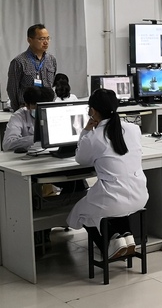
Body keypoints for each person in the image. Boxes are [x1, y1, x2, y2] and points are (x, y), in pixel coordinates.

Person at [67, 89, 148, 260]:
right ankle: (126, 237)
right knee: (113, 204)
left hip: (112, 200)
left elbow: (81, 159)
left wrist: (85, 131)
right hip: (140, 196)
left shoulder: (94, 137)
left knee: (81, 212)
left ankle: (109, 246)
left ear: (92, 111)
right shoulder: (133, 129)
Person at [7, 24, 57, 110]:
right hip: (27, 109)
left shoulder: (51, 59)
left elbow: (52, 84)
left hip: (47, 107)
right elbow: (12, 89)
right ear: (30, 40)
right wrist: (17, 109)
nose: (46, 42)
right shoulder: (19, 61)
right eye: (41, 39)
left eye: (48, 38)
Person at [2, 86, 55, 152]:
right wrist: (38, 139)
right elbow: (8, 144)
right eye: (38, 107)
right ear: (27, 105)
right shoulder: (19, 116)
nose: (42, 110)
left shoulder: (55, 113)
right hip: (28, 155)